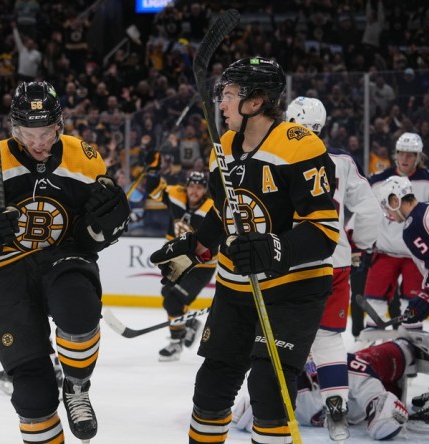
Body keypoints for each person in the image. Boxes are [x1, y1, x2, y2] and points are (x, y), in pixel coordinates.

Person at [149, 57, 339, 443]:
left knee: (268, 391)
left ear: (255, 103)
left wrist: (275, 247)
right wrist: (198, 247)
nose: (221, 103)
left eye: (230, 95)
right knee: (210, 390)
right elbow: (225, 212)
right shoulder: (226, 145)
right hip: (236, 289)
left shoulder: (300, 146)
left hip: (293, 290)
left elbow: (324, 230)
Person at [0, 81, 130, 443]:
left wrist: (108, 225)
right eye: (29, 133)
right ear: (14, 129)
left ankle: (77, 388)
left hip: (63, 256)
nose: (39, 142)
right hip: (4, 271)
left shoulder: (85, 158)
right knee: (33, 397)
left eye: (46, 132)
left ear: (59, 125)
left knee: (78, 308)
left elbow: (89, 237)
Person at [285, 96, 381, 441]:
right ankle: (336, 406)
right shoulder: (341, 160)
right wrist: (356, 245)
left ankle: (275, 405)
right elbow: (369, 212)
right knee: (327, 339)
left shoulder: (275, 155)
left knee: (279, 334)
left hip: (288, 261)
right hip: (334, 261)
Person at [232, 332, 426, 440]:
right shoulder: (289, 382)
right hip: (358, 392)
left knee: (399, 351)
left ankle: (402, 345)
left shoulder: (346, 367)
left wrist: (381, 408)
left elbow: (383, 416)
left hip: (370, 366)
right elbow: (248, 415)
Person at [376, 175, 429, 430]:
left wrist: (426, 298)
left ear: (395, 199)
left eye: (386, 205)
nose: (388, 214)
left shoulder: (412, 226)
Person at [364, 133, 429, 331]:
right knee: (374, 299)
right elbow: (364, 213)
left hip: (416, 256)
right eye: (401, 154)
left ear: (419, 156)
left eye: (411, 154)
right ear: (395, 154)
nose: (405, 159)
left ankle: (412, 346)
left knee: (413, 307)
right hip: (386, 252)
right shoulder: (378, 181)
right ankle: (372, 345)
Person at [145, 162, 216, 362]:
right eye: (192, 186)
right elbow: (154, 190)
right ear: (187, 186)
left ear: (205, 190)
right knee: (167, 293)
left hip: (202, 266)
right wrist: (152, 170)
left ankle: (176, 342)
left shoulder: (211, 209)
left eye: (199, 187)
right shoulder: (176, 195)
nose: (195, 191)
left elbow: (215, 244)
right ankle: (190, 322)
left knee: (173, 301)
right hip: (179, 261)